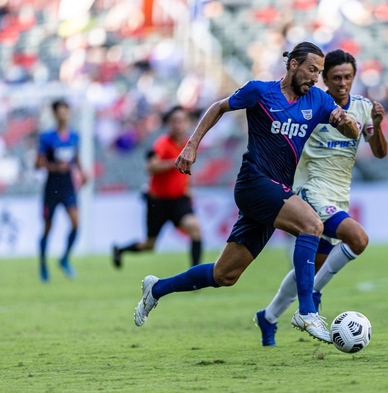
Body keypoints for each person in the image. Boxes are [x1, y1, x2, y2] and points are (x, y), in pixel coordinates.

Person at [133, 42, 358, 344]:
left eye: (319, 72)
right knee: (311, 225)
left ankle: (157, 288)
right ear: (293, 65)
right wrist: (191, 145)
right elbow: (218, 107)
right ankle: (306, 311)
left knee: (224, 275)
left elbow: (350, 130)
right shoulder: (259, 92)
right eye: (311, 70)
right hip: (254, 183)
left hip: (277, 191)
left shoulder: (318, 99)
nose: (316, 77)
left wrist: (348, 123)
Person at [254, 49, 388, 347]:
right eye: (336, 77)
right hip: (309, 190)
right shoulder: (312, 105)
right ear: (324, 78)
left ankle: (269, 316)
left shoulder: (363, 107)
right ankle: (313, 295)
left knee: (309, 269)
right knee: (358, 239)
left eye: (348, 77)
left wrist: (377, 125)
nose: (343, 83)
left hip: (339, 195)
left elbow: (379, 152)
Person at [112, 106, 203, 268]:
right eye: (174, 121)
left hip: (178, 200)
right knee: (149, 245)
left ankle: (195, 275)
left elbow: (186, 171)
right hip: (157, 202)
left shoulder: (189, 144)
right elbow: (150, 167)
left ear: (187, 123)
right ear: (168, 124)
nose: (178, 125)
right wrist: (175, 162)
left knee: (195, 228)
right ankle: (120, 250)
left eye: (182, 121)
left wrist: (187, 187)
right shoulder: (162, 144)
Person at [36, 100, 88, 282]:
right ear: (55, 114)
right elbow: (38, 163)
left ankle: (64, 258)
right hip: (52, 187)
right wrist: (55, 167)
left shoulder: (74, 136)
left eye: (65, 111)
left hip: (67, 186)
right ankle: (43, 264)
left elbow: (76, 158)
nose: (63, 115)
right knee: (47, 228)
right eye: (59, 112)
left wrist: (82, 172)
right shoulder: (47, 137)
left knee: (76, 223)